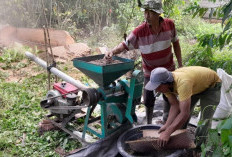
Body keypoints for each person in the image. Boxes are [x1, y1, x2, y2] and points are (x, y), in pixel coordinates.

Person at [104, 0, 182, 124]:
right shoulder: (139, 31)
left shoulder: (170, 25)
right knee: (148, 99)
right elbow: (124, 45)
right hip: (150, 72)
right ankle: (149, 123)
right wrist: (112, 52)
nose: (146, 16)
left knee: (170, 97)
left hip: (168, 70)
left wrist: (181, 64)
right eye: (145, 12)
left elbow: (176, 44)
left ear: (158, 14)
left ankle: (167, 121)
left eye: (150, 13)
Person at [145, 66, 221, 152]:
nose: (157, 90)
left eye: (158, 87)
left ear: (166, 83)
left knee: (205, 119)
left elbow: (184, 113)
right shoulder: (166, 86)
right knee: (180, 119)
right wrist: (167, 125)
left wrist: (167, 132)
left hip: (212, 85)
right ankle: (180, 139)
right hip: (195, 85)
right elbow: (174, 105)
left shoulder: (183, 83)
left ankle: (198, 148)